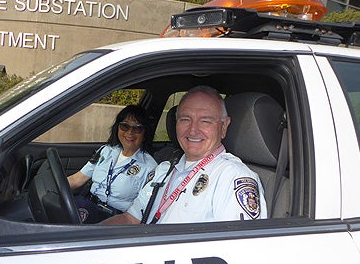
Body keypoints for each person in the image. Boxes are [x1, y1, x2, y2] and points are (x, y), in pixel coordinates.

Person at [101, 85, 267, 225]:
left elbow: (238, 251)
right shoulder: (165, 170)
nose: (193, 130)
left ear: (223, 127)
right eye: (185, 119)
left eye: (205, 121)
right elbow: (130, 219)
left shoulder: (231, 178)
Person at [68, 105, 157, 223]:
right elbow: (78, 179)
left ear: (145, 134)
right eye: (125, 126)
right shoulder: (106, 151)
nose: (129, 132)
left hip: (116, 219)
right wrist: (54, 188)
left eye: (137, 128)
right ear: (118, 128)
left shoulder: (151, 167)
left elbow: (142, 210)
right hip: (88, 205)